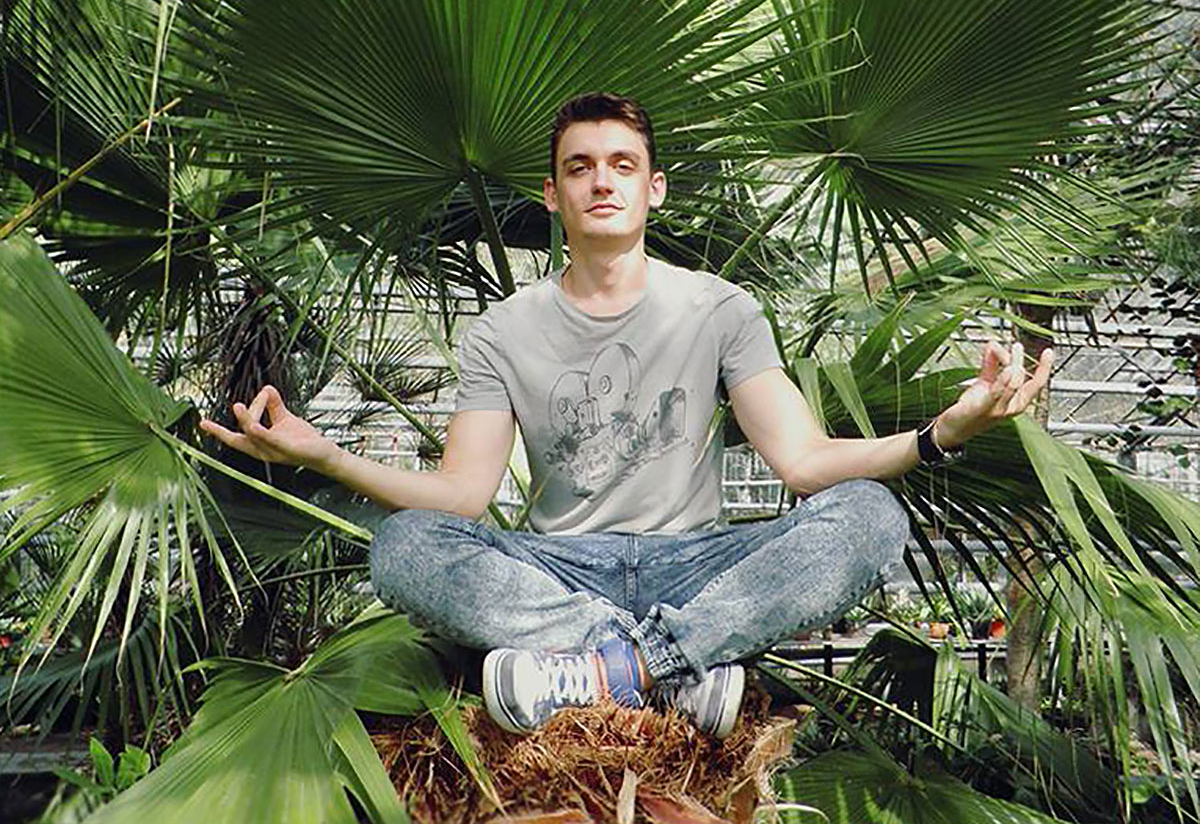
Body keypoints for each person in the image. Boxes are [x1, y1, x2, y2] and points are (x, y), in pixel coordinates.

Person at [201, 92, 1053, 740]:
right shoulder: (503, 330)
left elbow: (802, 461)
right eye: (580, 167)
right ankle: (671, 668)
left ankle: (618, 666)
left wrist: (941, 433)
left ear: (654, 187)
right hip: (557, 572)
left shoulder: (721, 308)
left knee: (870, 515)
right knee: (404, 547)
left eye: (620, 164)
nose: (601, 180)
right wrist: (323, 455)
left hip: (699, 563)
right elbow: (461, 496)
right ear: (553, 193)